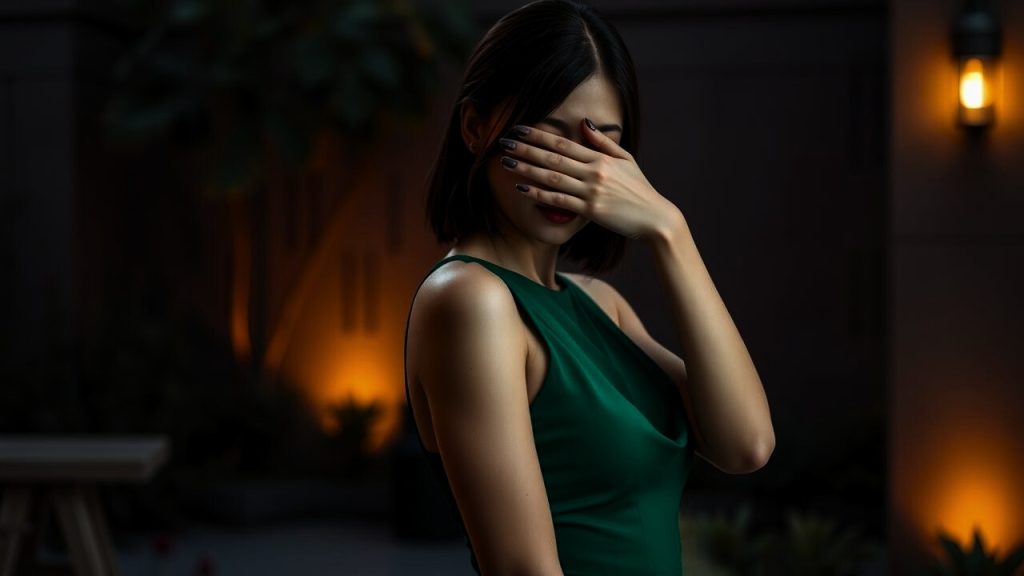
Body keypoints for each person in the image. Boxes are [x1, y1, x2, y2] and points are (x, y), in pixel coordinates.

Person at [403, 1, 775, 574]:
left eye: (600, 145)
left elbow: (745, 444)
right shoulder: (471, 300)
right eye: (549, 138)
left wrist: (670, 231)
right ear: (477, 127)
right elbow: (523, 568)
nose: (575, 172)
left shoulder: (602, 305)